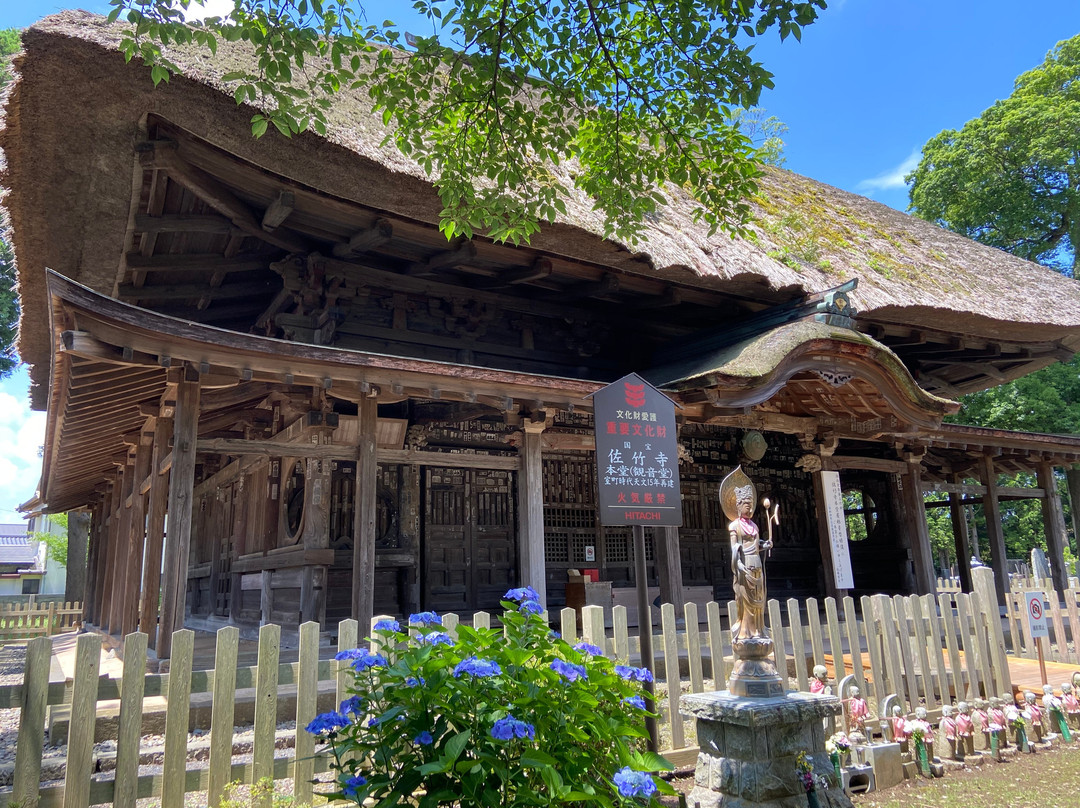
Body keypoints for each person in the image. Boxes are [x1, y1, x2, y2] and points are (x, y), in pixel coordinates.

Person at [729, 484, 772, 641]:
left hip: (757, 563)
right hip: (745, 566)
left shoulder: (754, 526)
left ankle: (758, 630)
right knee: (746, 600)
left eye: (751, 505)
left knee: (758, 599)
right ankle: (745, 631)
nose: (750, 508)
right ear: (739, 506)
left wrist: (764, 544)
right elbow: (735, 548)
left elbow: (756, 544)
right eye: (747, 505)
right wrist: (737, 562)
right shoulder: (735, 526)